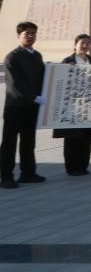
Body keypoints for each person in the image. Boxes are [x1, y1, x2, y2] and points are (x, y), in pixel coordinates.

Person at [2, 21, 44, 189]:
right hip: (15, 106)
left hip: (32, 107)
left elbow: (45, 77)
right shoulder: (12, 57)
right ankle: (6, 177)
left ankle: (28, 173)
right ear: (19, 36)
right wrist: (33, 97)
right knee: (9, 142)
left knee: (28, 141)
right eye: (27, 33)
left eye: (33, 33)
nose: (31, 36)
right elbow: (15, 84)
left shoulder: (37, 56)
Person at [55, 34, 91, 175]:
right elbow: (60, 80)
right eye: (82, 43)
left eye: (87, 43)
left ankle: (83, 166)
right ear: (75, 45)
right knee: (72, 138)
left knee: (86, 137)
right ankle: (71, 167)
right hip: (72, 107)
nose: (85, 46)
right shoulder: (68, 61)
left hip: (88, 106)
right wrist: (67, 69)